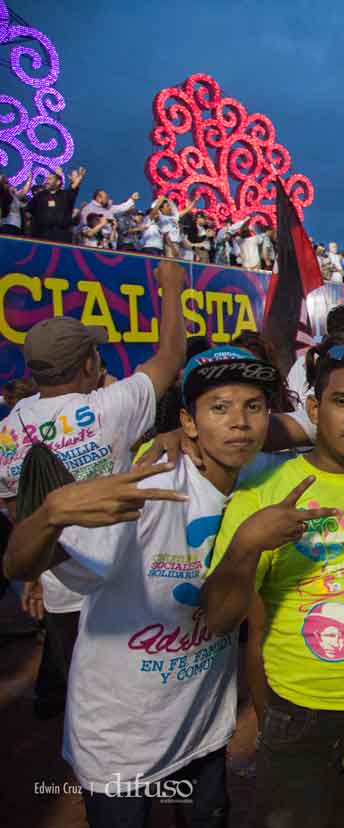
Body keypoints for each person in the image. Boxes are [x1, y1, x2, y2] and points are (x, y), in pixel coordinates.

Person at [3, 347, 283, 827]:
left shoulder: (263, 474)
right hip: (121, 741)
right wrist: (49, 516)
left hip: (202, 730)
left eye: (253, 407)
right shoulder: (147, 487)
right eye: (219, 407)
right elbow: (18, 562)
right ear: (188, 421)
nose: (239, 421)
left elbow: (325, 428)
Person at [201, 345, 344, 828]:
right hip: (307, 717)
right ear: (313, 409)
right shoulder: (263, 491)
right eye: (342, 401)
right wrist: (247, 545)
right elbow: (219, 621)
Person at [0, 259, 187, 694]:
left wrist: (35, 576)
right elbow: (171, 355)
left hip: (62, 596)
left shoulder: (8, 430)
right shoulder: (111, 407)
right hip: (125, 586)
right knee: (138, 691)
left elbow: (20, 516)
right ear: (88, 364)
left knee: (85, 695)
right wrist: (171, 288)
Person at [27, 166, 86, 243]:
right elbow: (29, 211)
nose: (46, 181)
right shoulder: (40, 195)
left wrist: (79, 177)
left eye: (49, 179)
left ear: (58, 182)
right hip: (41, 235)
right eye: (46, 179)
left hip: (61, 236)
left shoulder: (65, 195)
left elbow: (73, 188)